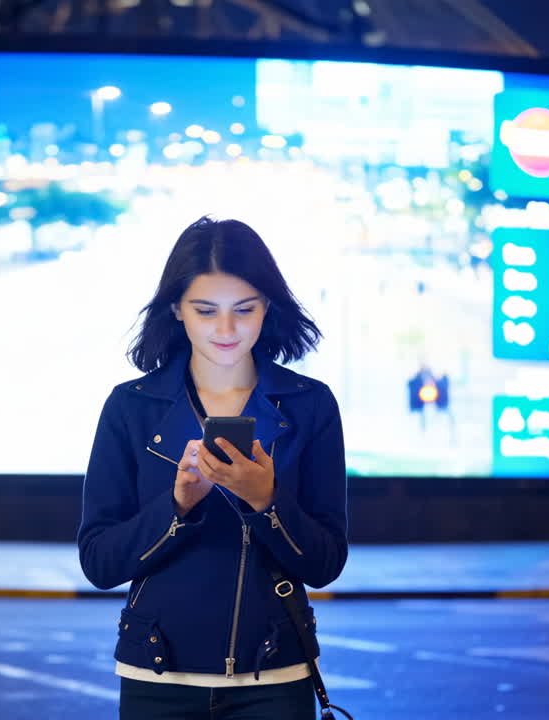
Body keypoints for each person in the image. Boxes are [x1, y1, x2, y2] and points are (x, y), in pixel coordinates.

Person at [78, 217, 348, 719]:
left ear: (268, 307)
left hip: (275, 676)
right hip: (156, 676)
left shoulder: (310, 405)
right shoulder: (131, 408)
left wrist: (266, 502)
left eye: (244, 309)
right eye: (206, 311)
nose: (226, 330)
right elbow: (99, 563)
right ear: (177, 310)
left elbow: (326, 563)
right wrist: (178, 506)